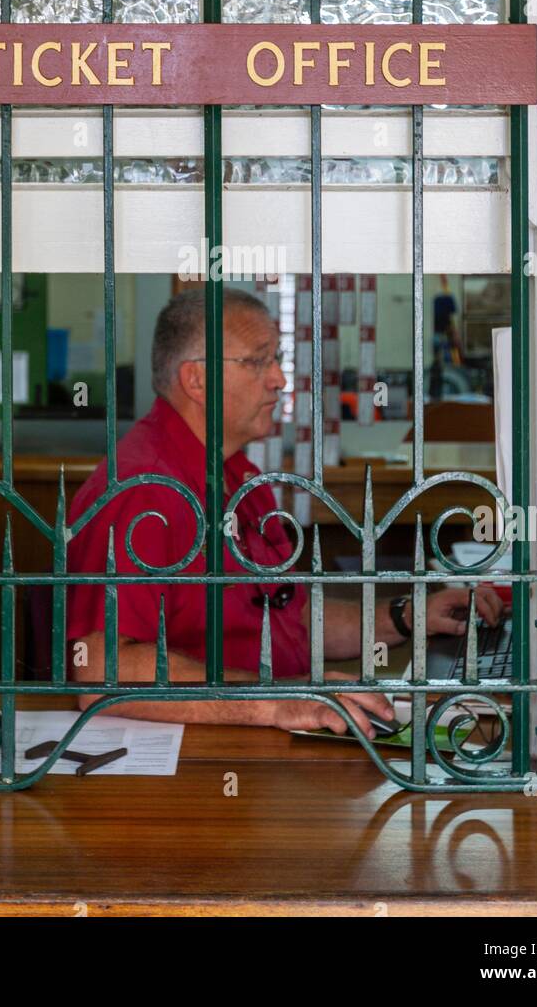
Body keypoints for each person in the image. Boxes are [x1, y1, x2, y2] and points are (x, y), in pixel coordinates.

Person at [67, 287, 502, 738]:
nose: (278, 379)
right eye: (258, 362)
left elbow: (287, 616)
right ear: (195, 380)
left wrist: (405, 617)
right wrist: (278, 699)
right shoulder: (143, 490)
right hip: (201, 761)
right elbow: (103, 674)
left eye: (277, 359)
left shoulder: (236, 473)